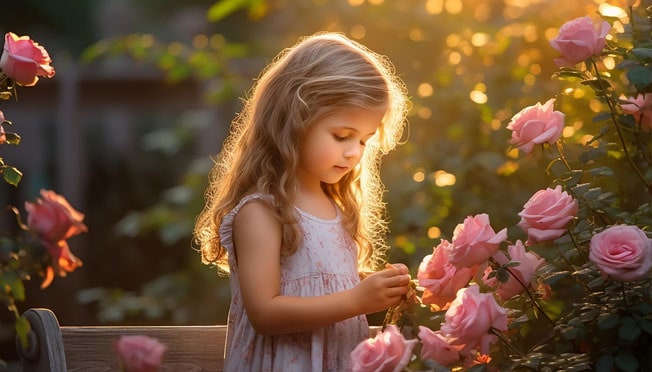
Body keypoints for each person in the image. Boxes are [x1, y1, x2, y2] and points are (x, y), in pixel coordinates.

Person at [193, 32, 411, 371]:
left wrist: (376, 287)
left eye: (365, 140)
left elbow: (319, 281)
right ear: (295, 119)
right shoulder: (262, 212)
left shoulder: (336, 206)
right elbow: (265, 313)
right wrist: (357, 299)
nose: (354, 151)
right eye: (342, 135)